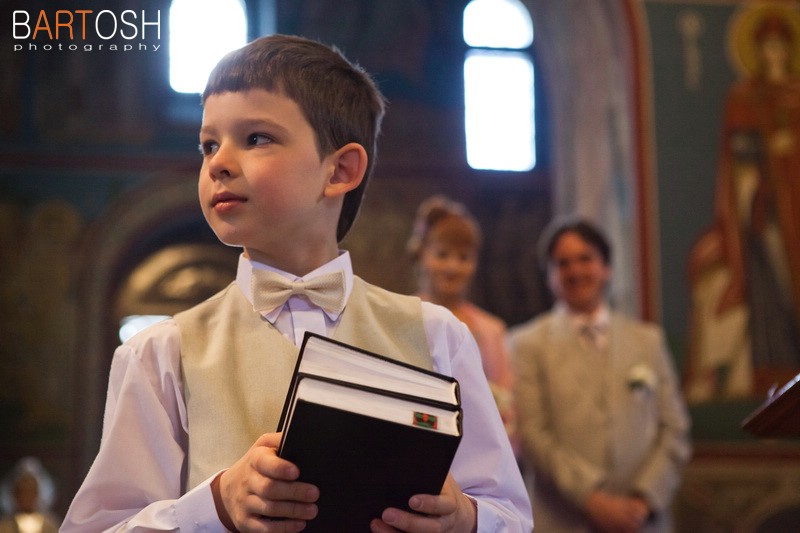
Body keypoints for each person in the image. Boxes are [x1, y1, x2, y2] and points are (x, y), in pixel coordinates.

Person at [61, 34, 532, 532]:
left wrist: (462, 518)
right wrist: (215, 506)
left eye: (256, 138)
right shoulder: (161, 353)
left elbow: (512, 516)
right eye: (208, 144)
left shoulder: (439, 335)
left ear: (340, 170)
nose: (217, 162)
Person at [509, 217, 691, 533]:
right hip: (563, 521)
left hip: (643, 522)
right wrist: (594, 501)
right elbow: (534, 434)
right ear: (550, 276)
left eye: (585, 259)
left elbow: (674, 428)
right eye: (562, 263)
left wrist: (643, 500)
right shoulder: (526, 344)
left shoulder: (647, 340)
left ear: (606, 267)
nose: (575, 271)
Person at [685, 8, 800, 402]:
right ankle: (753, 374)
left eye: (779, 45)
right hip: (763, 211)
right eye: (765, 46)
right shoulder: (743, 98)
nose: (773, 54)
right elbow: (737, 163)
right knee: (722, 268)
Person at [407, 195, 517, 450]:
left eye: (463, 257)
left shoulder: (492, 330)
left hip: (478, 451)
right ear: (423, 254)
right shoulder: (402, 316)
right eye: (442, 254)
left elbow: (506, 403)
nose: (453, 266)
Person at [0, 457, 59, 533]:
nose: (26, 497)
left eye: (31, 491)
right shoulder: (5, 526)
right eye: (22, 491)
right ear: (14, 494)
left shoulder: (50, 525)